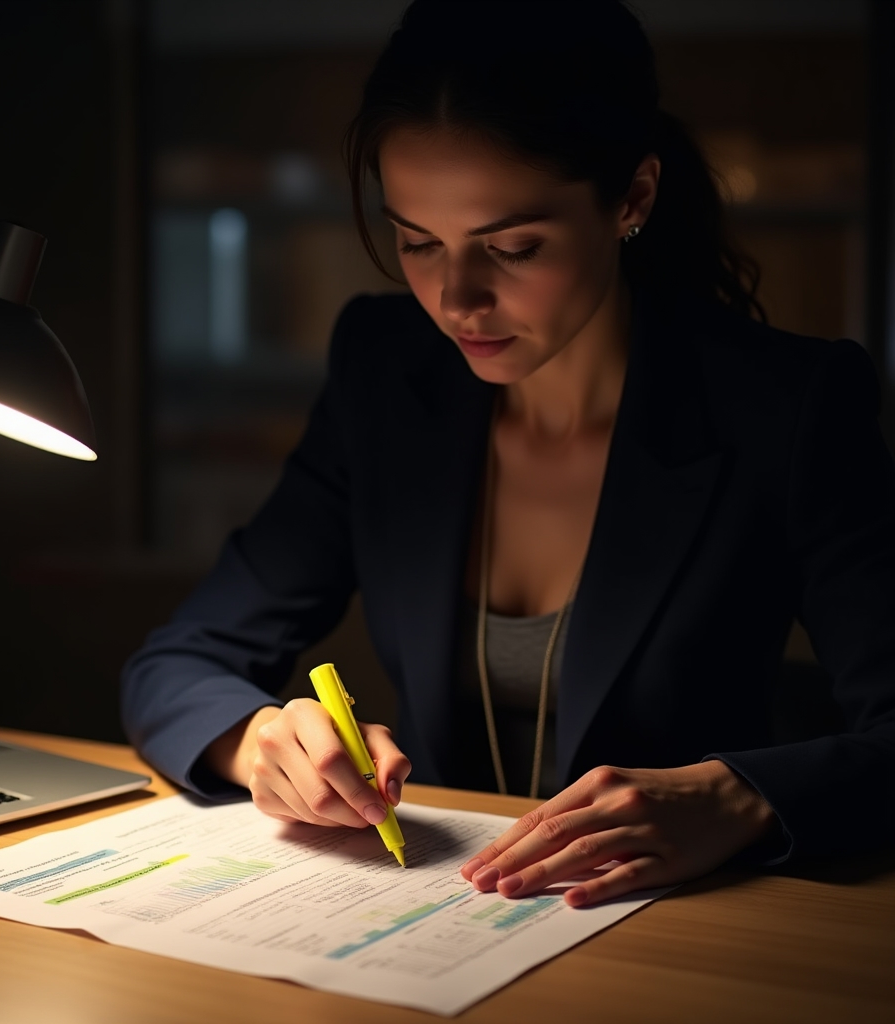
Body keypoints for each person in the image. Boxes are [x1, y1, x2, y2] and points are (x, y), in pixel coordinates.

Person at [122, 0, 895, 907]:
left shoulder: (787, 407)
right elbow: (175, 665)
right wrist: (258, 741)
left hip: (675, 927)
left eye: (514, 247)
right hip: (433, 917)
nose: (457, 299)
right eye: (417, 241)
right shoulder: (387, 377)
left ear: (632, 200)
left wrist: (737, 795)